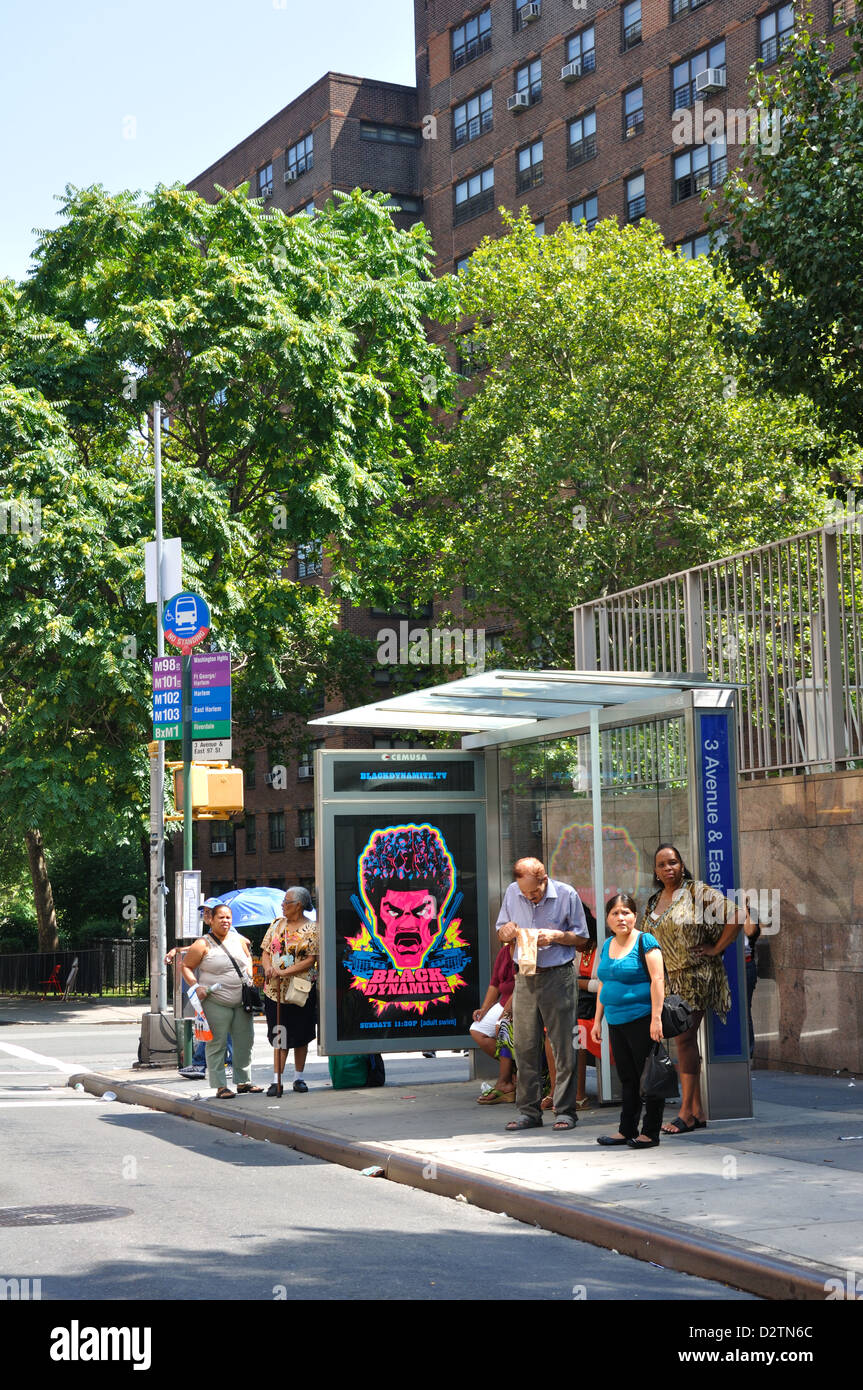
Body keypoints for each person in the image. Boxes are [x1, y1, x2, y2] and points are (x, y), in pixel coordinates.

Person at [643, 843, 748, 1134]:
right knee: (683, 1042)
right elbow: (645, 941)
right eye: (662, 864)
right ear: (655, 870)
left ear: (682, 865)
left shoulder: (695, 892)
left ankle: (686, 1112)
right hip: (669, 979)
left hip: (698, 976)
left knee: (685, 1040)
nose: (668, 868)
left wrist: (716, 948)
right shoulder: (653, 902)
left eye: (673, 862)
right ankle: (697, 1110)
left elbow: (737, 915)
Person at [496, 856, 590, 1132]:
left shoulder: (566, 894)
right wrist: (506, 930)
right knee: (524, 1046)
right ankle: (528, 1111)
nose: (530, 897)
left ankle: (565, 1110)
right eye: (525, 893)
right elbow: (501, 931)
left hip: (557, 974)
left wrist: (557, 936)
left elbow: (582, 938)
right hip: (524, 975)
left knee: (563, 1046)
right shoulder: (513, 893)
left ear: (544, 879)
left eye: (534, 892)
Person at [592, 894, 666, 1148]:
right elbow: (604, 982)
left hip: (642, 1018)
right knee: (627, 1078)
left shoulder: (646, 941)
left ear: (635, 915)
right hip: (615, 1020)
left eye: (626, 912)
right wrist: (597, 1019)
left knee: (649, 1077)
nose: (621, 918)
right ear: (608, 918)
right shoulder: (607, 944)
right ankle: (626, 1129)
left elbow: (658, 980)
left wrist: (656, 1018)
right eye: (615, 913)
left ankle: (650, 1132)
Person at [181, 903, 260, 1099]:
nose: (225, 921)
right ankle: (220, 1086)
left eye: (228, 918)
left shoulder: (239, 940)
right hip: (215, 1000)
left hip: (241, 1000)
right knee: (217, 1043)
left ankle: (243, 1081)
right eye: (221, 918)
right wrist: (196, 985)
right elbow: (186, 966)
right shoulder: (202, 944)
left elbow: (248, 957)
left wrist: (249, 972)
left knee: (245, 1041)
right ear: (212, 920)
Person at [261, 887, 318, 1097]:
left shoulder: (312, 929)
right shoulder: (277, 924)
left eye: (286, 902)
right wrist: (268, 968)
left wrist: (283, 972)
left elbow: (311, 960)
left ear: (298, 905)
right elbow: (266, 951)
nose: (283, 905)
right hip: (275, 991)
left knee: (301, 1034)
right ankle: (276, 1080)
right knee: (279, 1035)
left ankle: (298, 1077)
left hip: (301, 990)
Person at [471, 941, 516, 1103]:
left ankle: (504, 1083)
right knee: (477, 1029)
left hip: (520, 1001)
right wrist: (484, 1009)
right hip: (503, 1001)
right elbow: (495, 983)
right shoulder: (504, 951)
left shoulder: (526, 949)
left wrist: (503, 1017)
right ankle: (514, 1071)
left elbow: (521, 986)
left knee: (504, 1028)